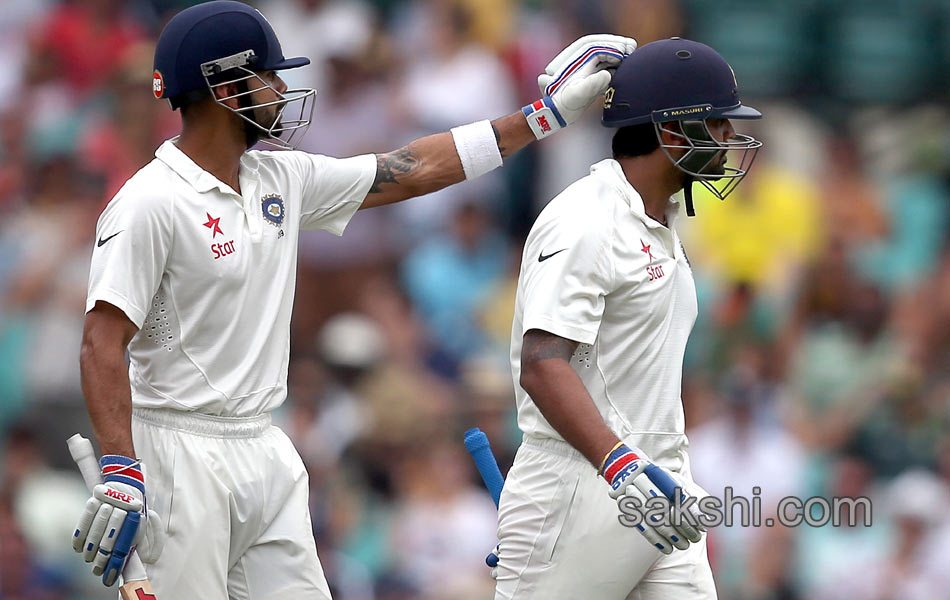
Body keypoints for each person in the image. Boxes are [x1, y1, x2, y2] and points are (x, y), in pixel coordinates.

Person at [69, 1, 636, 597]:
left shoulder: (279, 179)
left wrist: (541, 117)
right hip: (177, 456)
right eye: (269, 75)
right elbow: (101, 341)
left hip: (264, 444)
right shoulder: (149, 203)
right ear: (223, 86)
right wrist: (122, 469)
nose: (283, 89)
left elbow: (413, 168)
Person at [494, 38, 762, 599]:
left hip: (660, 484)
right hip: (581, 485)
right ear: (668, 132)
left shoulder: (657, 220)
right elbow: (542, 365)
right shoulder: (585, 219)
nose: (730, 140)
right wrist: (622, 468)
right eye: (716, 125)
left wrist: (655, 471)